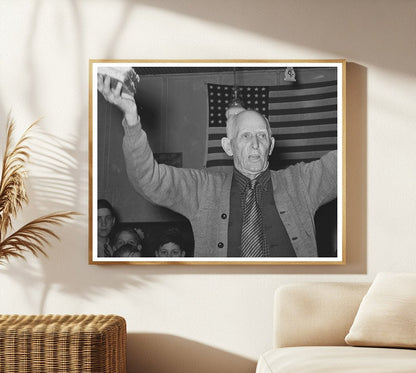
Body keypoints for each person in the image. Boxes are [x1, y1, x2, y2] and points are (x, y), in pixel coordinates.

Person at [98, 75, 337, 258]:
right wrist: (131, 119)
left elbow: (350, 161)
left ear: (271, 145)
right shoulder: (203, 189)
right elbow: (148, 179)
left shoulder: (302, 182)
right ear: (228, 146)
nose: (255, 144)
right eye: (245, 136)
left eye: (262, 136)